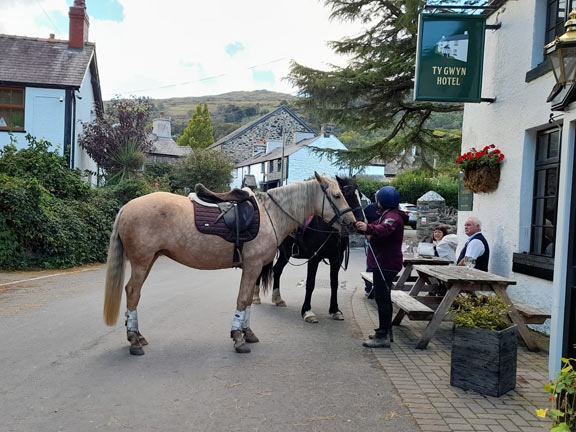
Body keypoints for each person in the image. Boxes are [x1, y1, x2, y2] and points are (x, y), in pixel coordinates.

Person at [356, 186, 408, 348]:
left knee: (383, 300)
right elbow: (377, 230)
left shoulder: (392, 217)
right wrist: (362, 228)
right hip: (383, 263)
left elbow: (384, 230)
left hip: (385, 264)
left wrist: (368, 228)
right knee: (382, 298)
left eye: (378, 199)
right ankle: (384, 331)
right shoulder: (388, 215)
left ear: (382, 201)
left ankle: (383, 336)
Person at [362, 198, 380, 297]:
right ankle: (368, 287)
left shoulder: (389, 211)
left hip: (379, 238)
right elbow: (363, 219)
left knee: (373, 263)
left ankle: (372, 287)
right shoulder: (370, 208)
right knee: (371, 263)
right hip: (371, 238)